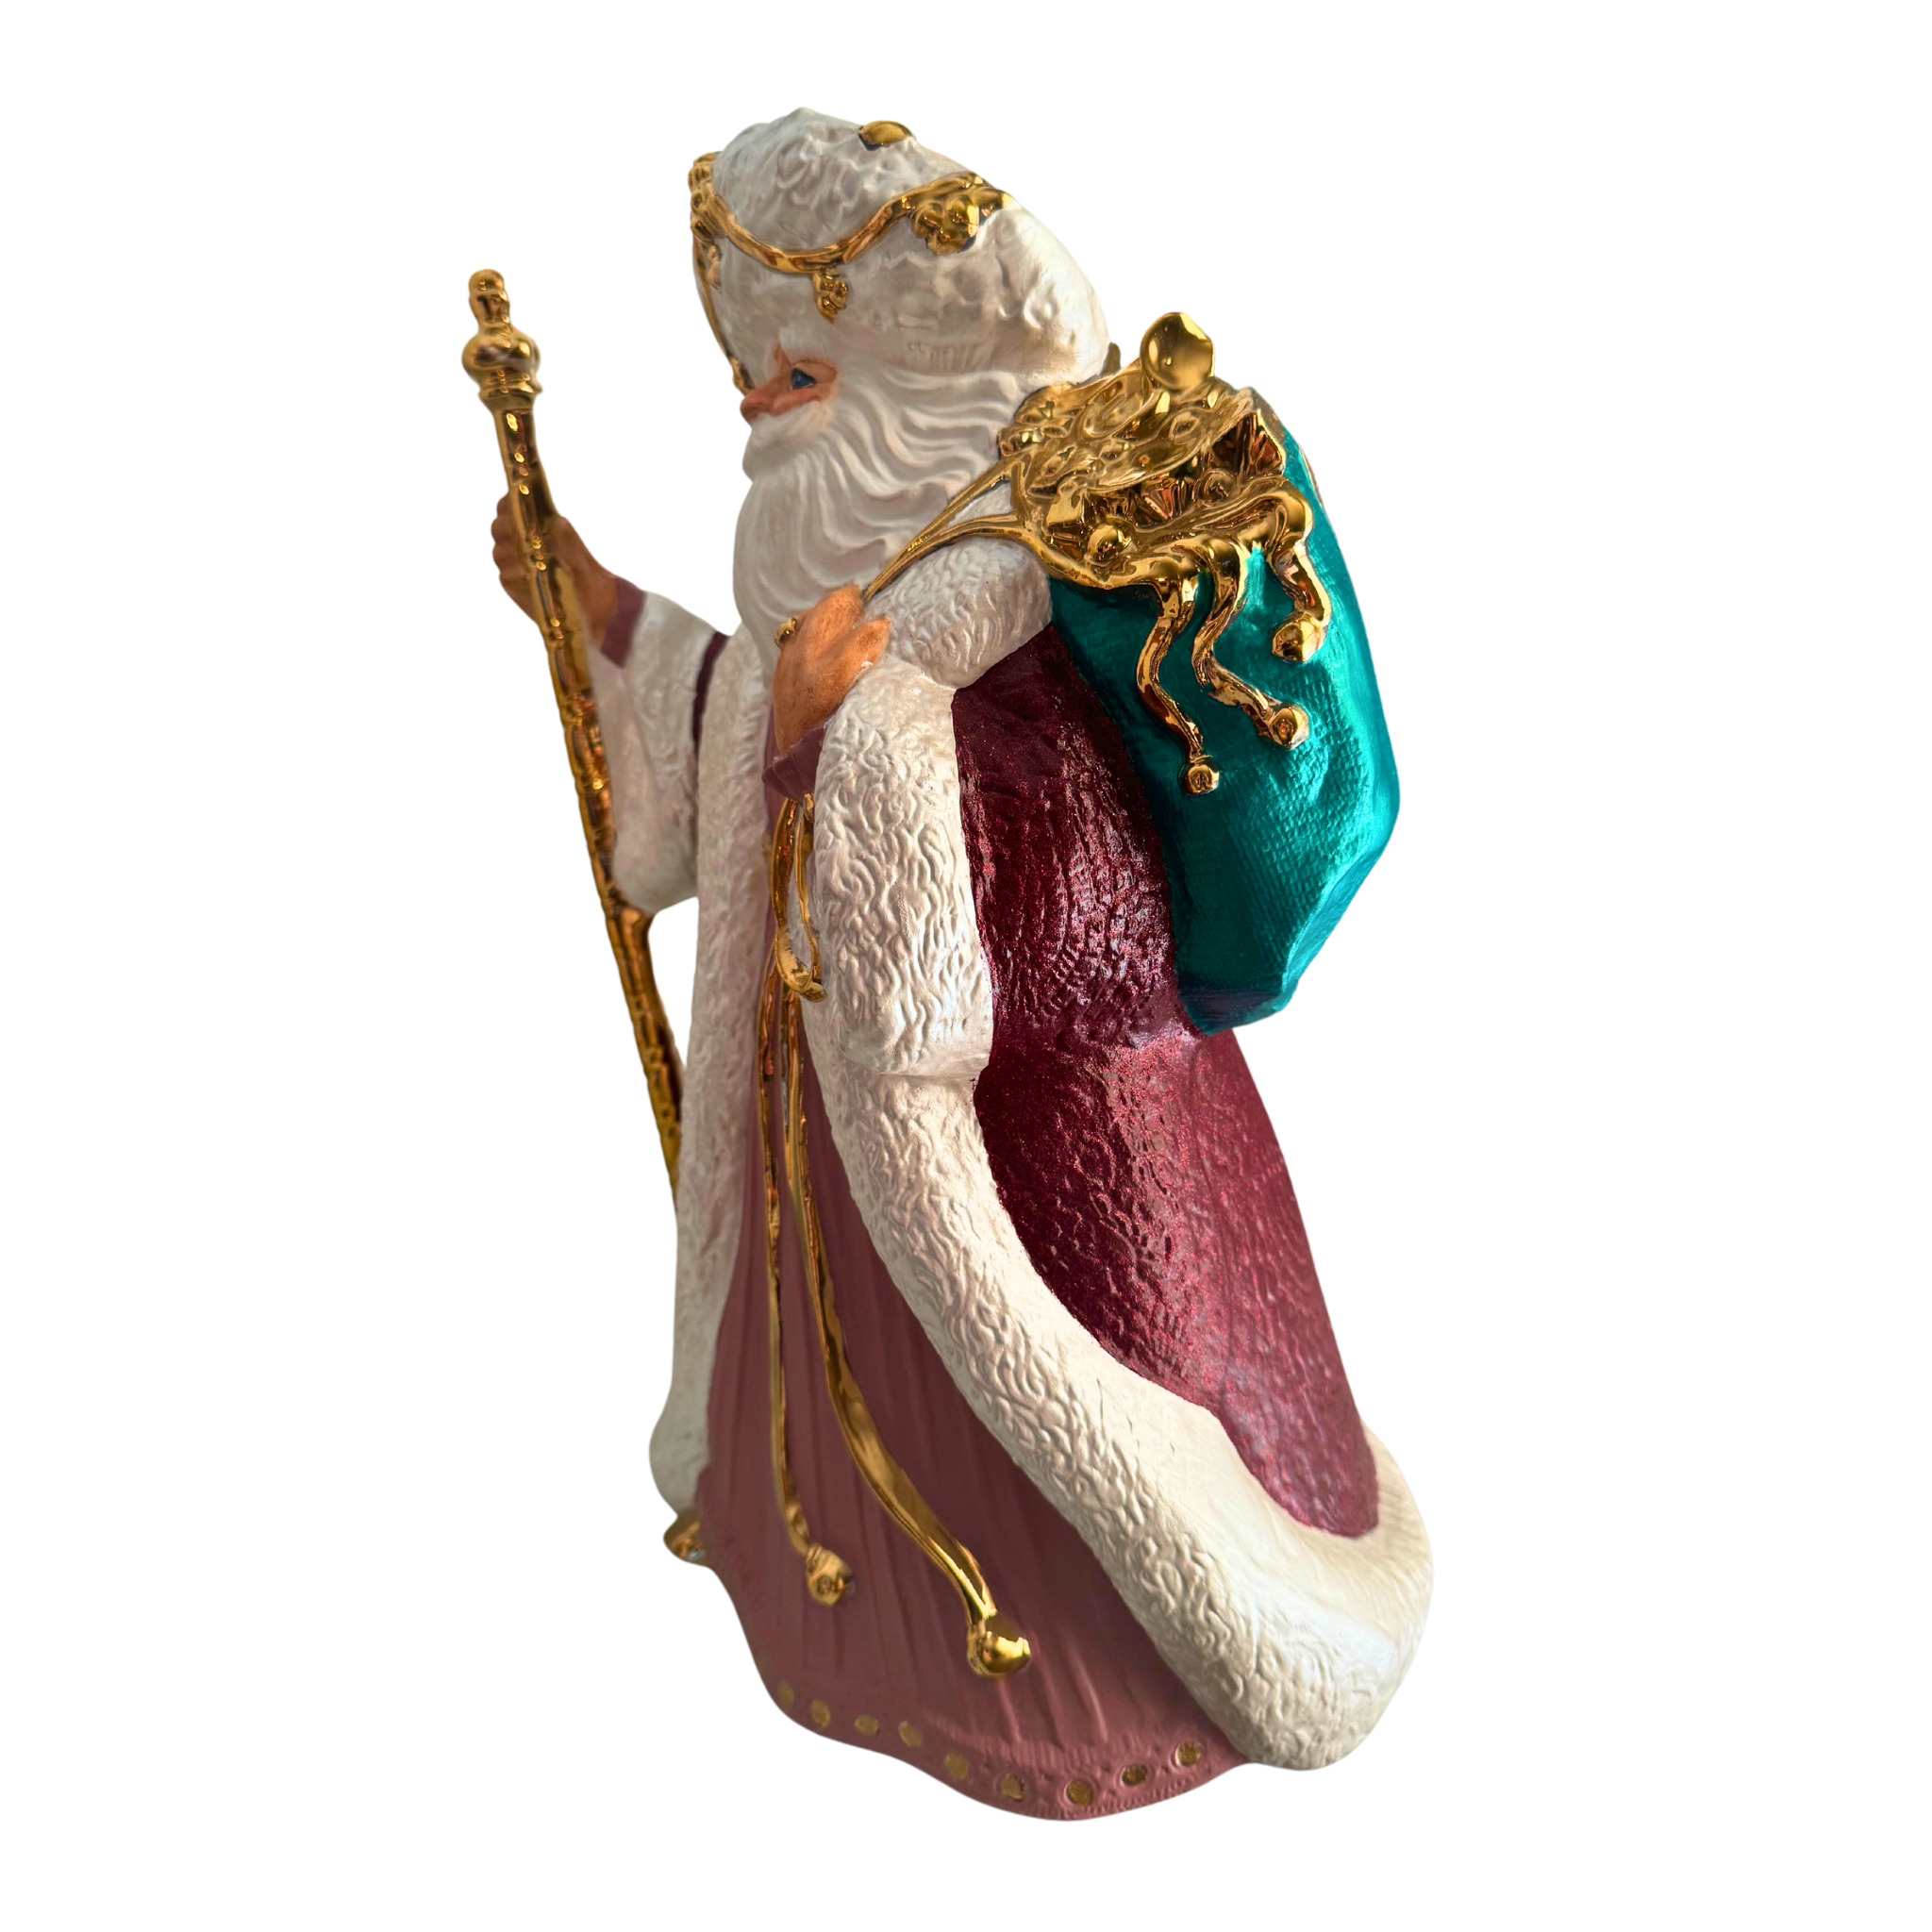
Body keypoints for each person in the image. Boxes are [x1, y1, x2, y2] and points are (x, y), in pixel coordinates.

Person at [487, 108, 1429, 1817]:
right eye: (749, 385)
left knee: (1071, 1465)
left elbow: (1073, 928)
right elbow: (739, 727)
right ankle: (840, 1609)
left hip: (1057, 1186)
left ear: (904, 388)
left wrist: (842, 748)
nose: (755, 416)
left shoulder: (1016, 597)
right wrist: (599, 613)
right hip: (826, 1146)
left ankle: (1097, 1681)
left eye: (793, 381)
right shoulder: (862, 595)